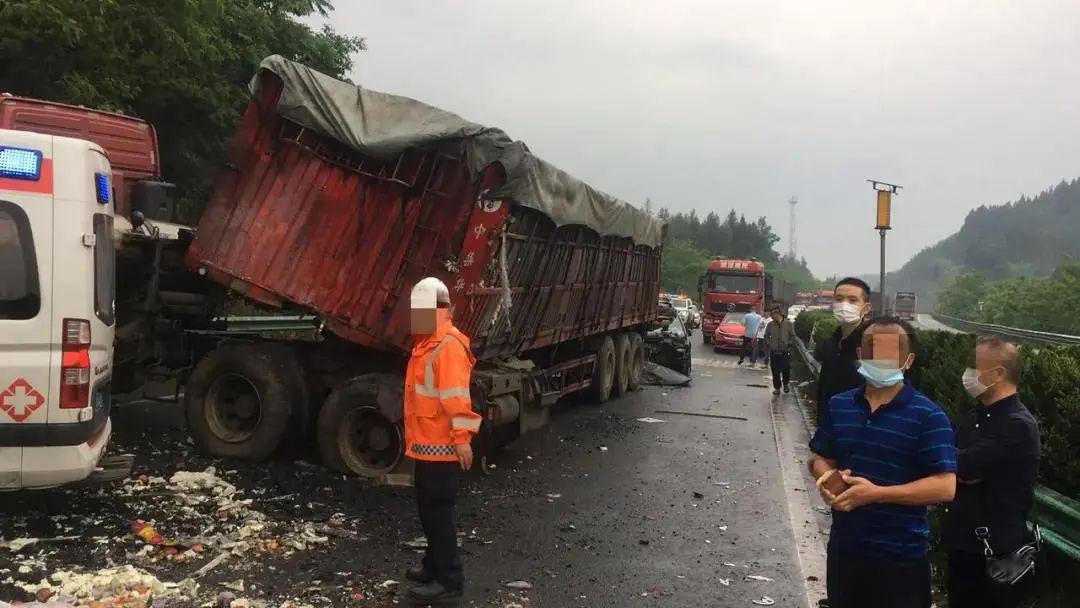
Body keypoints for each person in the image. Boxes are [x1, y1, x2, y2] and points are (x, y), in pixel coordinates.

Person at [808, 316, 957, 608]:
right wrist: (828, 479)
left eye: (891, 354)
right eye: (873, 352)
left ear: (909, 360)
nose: (880, 360)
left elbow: (945, 486)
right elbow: (819, 458)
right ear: (860, 355)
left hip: (900, 559)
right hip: (844, 551)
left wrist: (876, 494)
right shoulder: (839, 405)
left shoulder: (929, 416)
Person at [943, 337, 1040, 608]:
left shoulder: (1017, 425)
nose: (967, 374)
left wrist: (958, 469)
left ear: (998, 374)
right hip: (961, 542)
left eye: (974, 366)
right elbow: (954, 464)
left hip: (995, 552)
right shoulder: (974, 417)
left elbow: (959, 465)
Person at [403, 277, 483, 604]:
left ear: (442, 310)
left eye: (421, 310)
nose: (415, 316)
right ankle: (433, 566)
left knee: (438, 515)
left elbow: (456, 399)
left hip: (443, 449)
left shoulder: (447, 346)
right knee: (428, 512)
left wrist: (462, 439)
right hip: (427, 446)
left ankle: (448, 580)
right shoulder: (428, 343)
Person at [814, 277, 872, 426]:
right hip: (828, 429)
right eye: (839, 299)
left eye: (853, 300)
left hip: (857, 430)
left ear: (866, 308)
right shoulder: (832, 343)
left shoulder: (872, 346)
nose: (844, 305)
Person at [764, 305, 794, 395]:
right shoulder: (770, 324)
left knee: (786, 369)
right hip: (774, 352)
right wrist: (770, 343)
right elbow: (766, 336)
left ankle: (785, 384)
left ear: (778, 314)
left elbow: (793, 336)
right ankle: (777, 388)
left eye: (773, 314)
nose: (771, 317)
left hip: (785, 351)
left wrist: (789, 343)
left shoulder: (788, 324)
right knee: (775, 371)